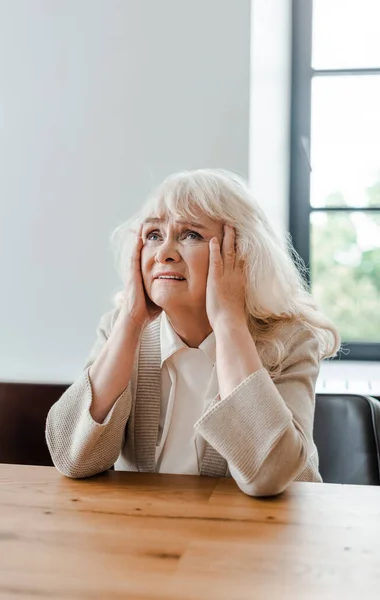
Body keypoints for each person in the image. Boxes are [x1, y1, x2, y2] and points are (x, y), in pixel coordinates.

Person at [46, 169, 340, 496]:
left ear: (241, 255)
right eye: (154, 235)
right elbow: (73, 457)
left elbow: (268, 477)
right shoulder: (119, 330)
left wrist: (228, 320)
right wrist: (129, 321)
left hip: (269, 538)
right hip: (148, 535)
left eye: (190, 235)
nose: (164, 253)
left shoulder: (290, 340)